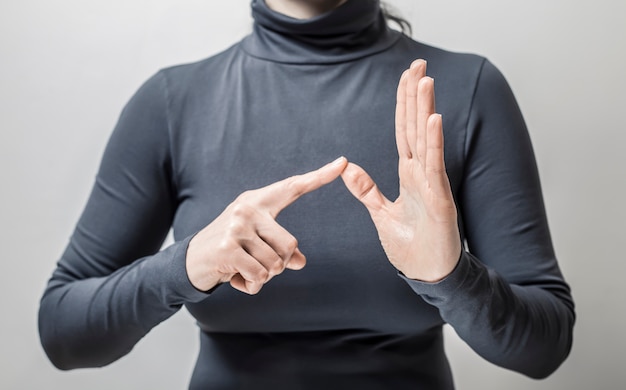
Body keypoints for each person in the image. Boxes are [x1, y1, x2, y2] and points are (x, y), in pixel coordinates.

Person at [38, 0, 575, 388]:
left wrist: (450, 276)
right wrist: (184, 266)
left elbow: (543, 349)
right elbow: (64, 333)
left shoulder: (463, 89)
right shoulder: (173, 104)